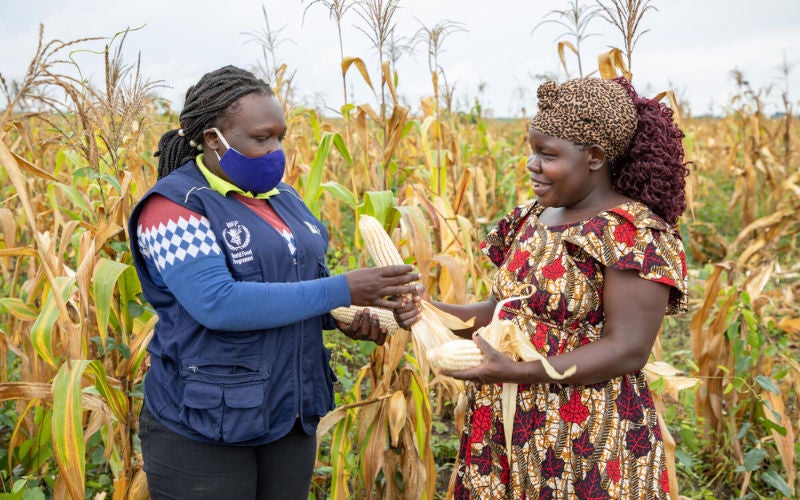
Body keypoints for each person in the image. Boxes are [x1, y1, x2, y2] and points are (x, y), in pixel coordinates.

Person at [128, 65, 420, 499]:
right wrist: (342, 289)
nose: (275, 150)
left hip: (290, 413)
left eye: (280, 137)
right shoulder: (171, 210)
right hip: (205, 427)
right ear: (213, 139)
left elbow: (300, 288)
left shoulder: (285, 199)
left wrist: (347, 317)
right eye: (261, 138)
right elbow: (218, 304)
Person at [396, 77, 689, 498]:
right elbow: (501, 314)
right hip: (504, 423)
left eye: (547, 154)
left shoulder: (630, 233)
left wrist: (520, 372)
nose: (532, 164)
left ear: (594, 157)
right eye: (532, 149)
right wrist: (427, 308)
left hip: (584, 434)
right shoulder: (534, 216)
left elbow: (628, 348)